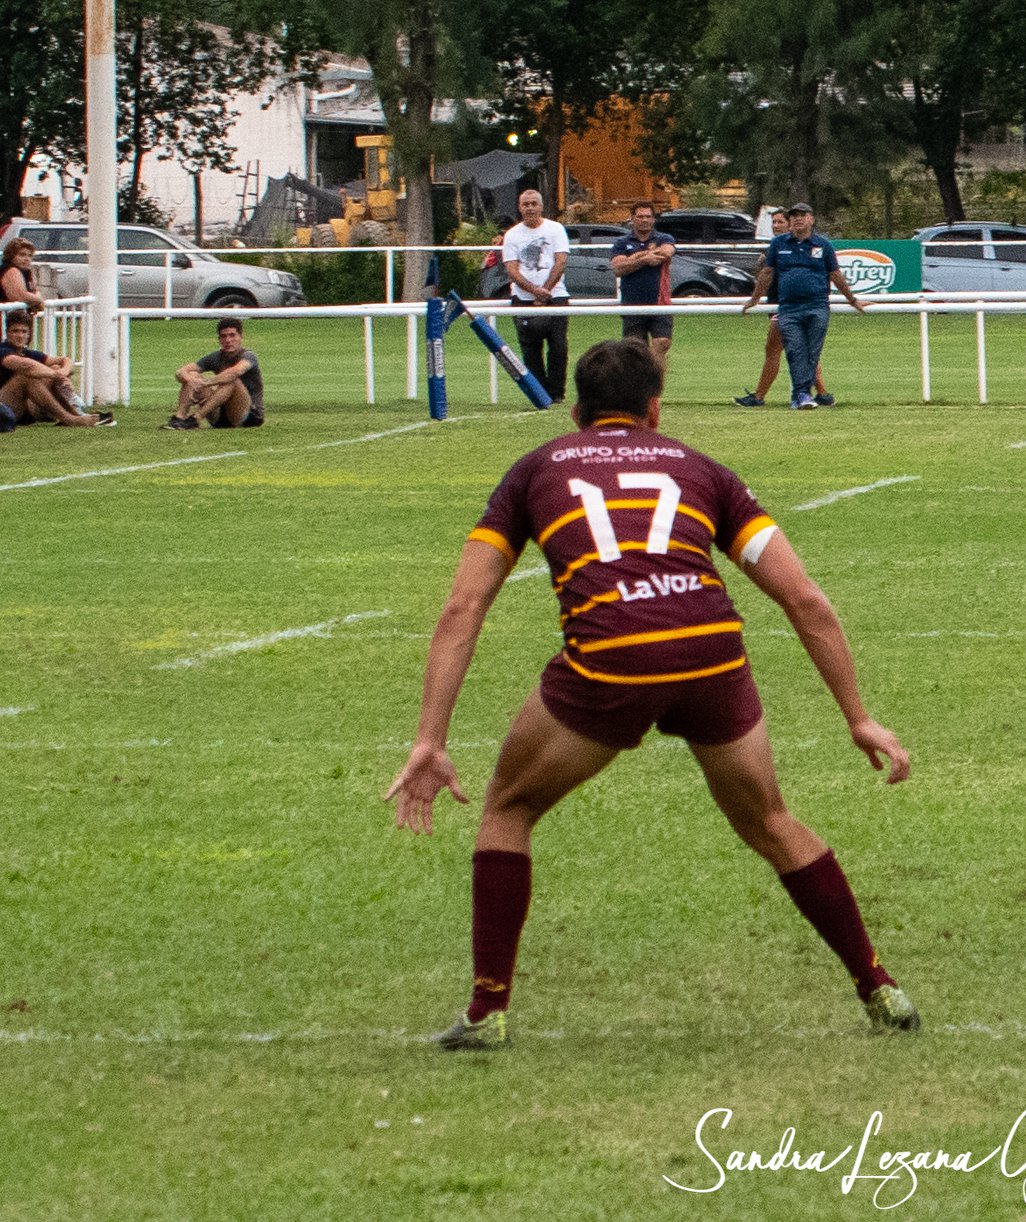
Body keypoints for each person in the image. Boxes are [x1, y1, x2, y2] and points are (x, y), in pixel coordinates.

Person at [384, 337, 922, 1049]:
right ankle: (878, 985)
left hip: (612, 659)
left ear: (576, 411)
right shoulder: (704, 471)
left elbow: (464, 607)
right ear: (656, 410)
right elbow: (806, 601)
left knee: (508, 809)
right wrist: (859, 718)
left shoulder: (535, 470)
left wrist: (431, 740)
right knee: (770, 822)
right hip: (710, 654)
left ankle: (487, 1012)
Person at [740, 203, 864, 410]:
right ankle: (805, 395)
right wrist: (754, 299)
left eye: (802, 215)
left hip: (817, 307)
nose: (798, 219)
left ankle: (804, 395)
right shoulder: (779, 244)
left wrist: (852, 300)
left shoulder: (823, 245)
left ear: (811, 219)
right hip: (789, 308)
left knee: (811, 353)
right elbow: (767, 273)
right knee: (796, 352)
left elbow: (835, 274)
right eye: (794, 216)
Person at [733, 208, 831, 408]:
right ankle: (823, 394)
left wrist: (755, 299)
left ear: (790, 224)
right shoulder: (777, 247)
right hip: (779, 304)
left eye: (780, 222)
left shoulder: (792, 246)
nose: (776, 226)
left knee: (774, 350)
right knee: (803, 352)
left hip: (786, 307)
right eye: (773, 223)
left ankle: (759, 396)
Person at [502, 188, 572, 402]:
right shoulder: (512, 235)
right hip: (523, 299)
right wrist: (534, 291)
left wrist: (546, 292)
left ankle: (556, 394)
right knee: (531, 350)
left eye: (534, 203)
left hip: (556, 296)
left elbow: (560, 261)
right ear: (520, 207)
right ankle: (540, 394)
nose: (530, 208)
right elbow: (512, 269)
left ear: (541, 206)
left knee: (558, 347)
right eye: (526, 204)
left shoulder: (556, 229)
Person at [0, 311, 106, 426]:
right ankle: (69, 419)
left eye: (24, 332)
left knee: (54, 367)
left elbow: (65, 360)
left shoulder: (28, 353)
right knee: (27, 377)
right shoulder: (3, 351)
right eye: (15, 331)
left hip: (28, 407)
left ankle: (76, 414)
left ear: (29, 335)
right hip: (5, 406)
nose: (20, 336)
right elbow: (27, 366)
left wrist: (63, 372)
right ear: (7, 333)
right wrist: (56, 374)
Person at [608, 200, 677, 364]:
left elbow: (667, 251)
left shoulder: (663, 238)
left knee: (662, 342)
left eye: (648, 216)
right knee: (635, 351)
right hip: (633, 304)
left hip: (660, 302)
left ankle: (654, 378)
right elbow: (618, 268)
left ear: (653, 219)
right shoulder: (622, 243)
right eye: (640, 216)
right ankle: (642, 380)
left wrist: (633, 258)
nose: (644, 220)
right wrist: (644, 258)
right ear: (632, 218)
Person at [163, 318, 264, 430]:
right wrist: (191, 380)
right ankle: (179, 418)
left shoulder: (249, 356)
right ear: (219, 339)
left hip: (248, 415)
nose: (228, 340)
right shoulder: (215, 357)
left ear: (241, 337)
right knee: (193, 375)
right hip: (220, 416)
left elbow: (236, 371)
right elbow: (180, 372)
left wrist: (206, 383)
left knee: (231, 379)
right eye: (224, 336)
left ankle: (196, 418)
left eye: (232, 335)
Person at [2, 238, 46, 315]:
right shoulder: (11, 270)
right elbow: (20, 296)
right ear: (11, 256)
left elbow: (34, 291)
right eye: (22, 255)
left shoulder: (26, 271)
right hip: (6, 320)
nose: (27, 259)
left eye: (30, 255)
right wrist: (39, 301)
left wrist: (37, 299)